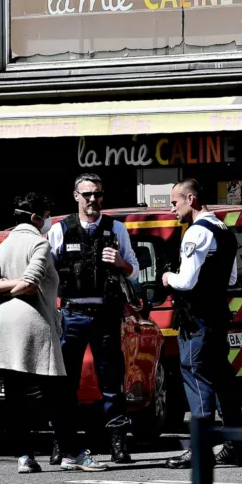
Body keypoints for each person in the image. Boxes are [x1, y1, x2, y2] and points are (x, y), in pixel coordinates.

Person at [0, 193, 75, 473]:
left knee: (15, 396)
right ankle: (71, 452)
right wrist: (18, 283)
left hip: (5, 326)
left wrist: (4, 285)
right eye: (45, 215)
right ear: (35, 218)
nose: (47, 222)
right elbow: (31, 284)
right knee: (56, 394)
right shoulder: (39, 245)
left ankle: (24, 456)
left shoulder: (0, 248)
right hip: (35, 323)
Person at [48, 173, 139, 466]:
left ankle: (118, 443)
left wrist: (121, 263)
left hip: (105, 314)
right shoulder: (60, 230)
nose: (92, 200)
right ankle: (63, 443)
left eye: (97, 194)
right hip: (72, 313)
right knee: (65, 383)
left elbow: (134, 271)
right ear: (76, 196)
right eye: (87, 194)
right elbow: (46, 272)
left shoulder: (116, 229)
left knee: (111, 382)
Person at [161, 179, 242, 469]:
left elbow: (186, 282)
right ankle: (235, 446)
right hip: (217, 316)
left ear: (191, 199)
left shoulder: (195, 232)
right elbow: (232, 279)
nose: (172, 208)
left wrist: (167, 278)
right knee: (222, 377)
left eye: (175, 202)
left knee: (196, 375)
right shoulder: (224, 231)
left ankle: (201, 447)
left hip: (196, 318)